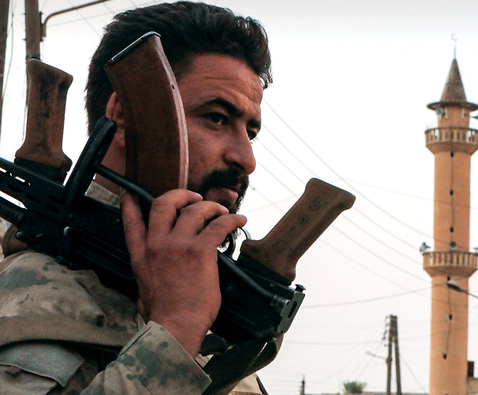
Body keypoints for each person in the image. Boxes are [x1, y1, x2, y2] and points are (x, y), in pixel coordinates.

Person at [0, 2, 281, 393]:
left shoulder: (205, 304)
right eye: (216, 118)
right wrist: (177, 328)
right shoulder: (30, 295)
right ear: (126, 113)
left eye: (249, 132)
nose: (245, 159)